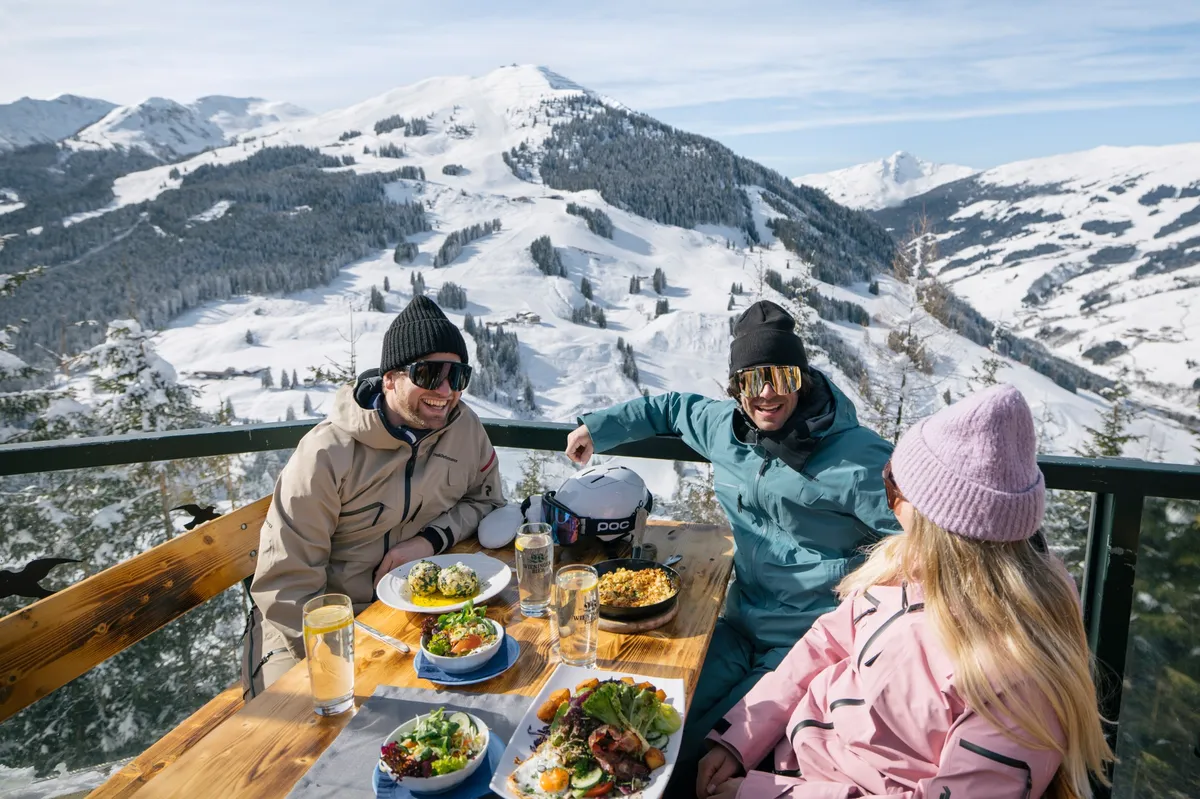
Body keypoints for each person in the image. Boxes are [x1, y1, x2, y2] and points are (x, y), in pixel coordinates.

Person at [697, 384, 1113, 799]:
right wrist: (741, 736)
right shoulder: (908, 568)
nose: (887, 499)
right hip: (791, 757)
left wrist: (758, 793)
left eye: (894, 486)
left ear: (942, 521)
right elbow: (827, 641)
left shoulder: (1017, 678)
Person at [564, 300, 899, 776]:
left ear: (800, 379)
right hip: (740, 621)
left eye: (780, 377)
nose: (766, 393)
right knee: (654, 714)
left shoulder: (857, 456)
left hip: (807, 641)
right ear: (735, 386)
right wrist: (597, 429)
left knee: (696, 754)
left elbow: (929, 531)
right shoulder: (729, 430)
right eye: (750, 379)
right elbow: (673, 408)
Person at [242, 296, 504, 695]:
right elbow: (287, 585)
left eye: (459, 375)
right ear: (390, 379)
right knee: (306, 740)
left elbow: (485, 502)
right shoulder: (327, 454)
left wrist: (430, 541)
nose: (447, 390)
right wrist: (349, 657)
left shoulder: (465, 429)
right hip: (310, 627)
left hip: (409, 612)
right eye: (430, 374)